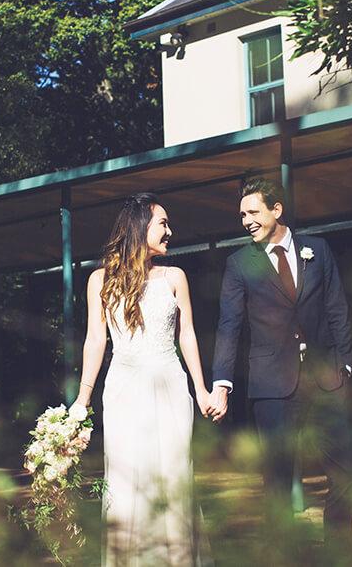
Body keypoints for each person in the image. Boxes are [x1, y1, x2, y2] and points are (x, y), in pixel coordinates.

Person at [208, 177, 352, 545]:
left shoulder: (318, 250)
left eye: (253, 212)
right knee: (277, 481)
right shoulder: (240, 263)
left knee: (346, 475)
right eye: (242, 215)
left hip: (326, 381)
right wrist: (221, 383)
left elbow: (337, 308)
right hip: (271, 386)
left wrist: (345, 365)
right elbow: (229, 325)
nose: (246, 221)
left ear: (277, 210)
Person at [71, 192, 212, 566]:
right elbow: (95, 339)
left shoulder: (175, 277)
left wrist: (200, 388)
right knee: (127, 481)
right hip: (123, 390)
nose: (170, 231)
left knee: (173, 477)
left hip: (170, 384)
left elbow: (188, 335)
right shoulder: (99, 280)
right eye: (163, 223)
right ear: (139, 227)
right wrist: (82, 399)